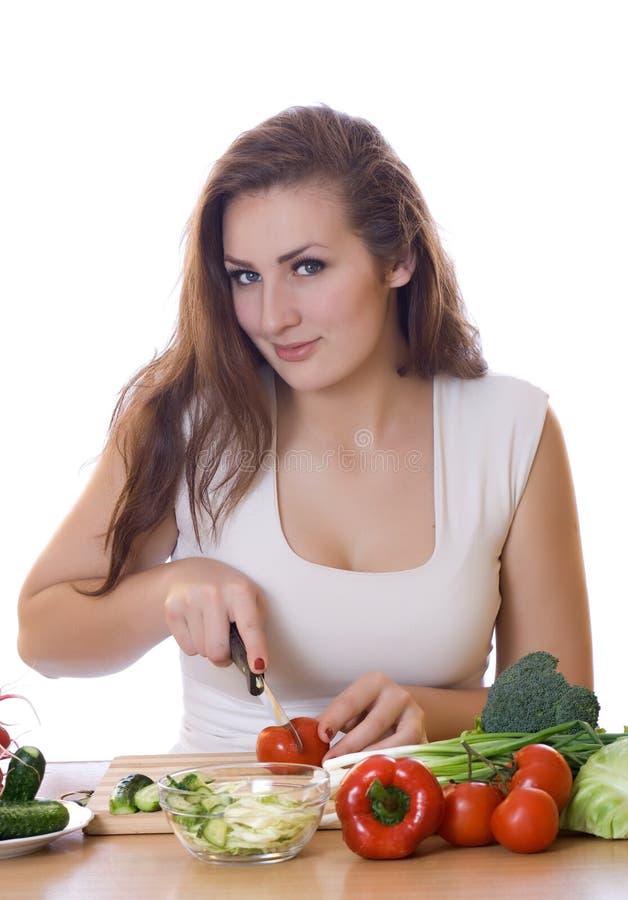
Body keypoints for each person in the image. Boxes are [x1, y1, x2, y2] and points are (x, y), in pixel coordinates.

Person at [17, 105, 593, 760]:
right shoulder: (184, 418)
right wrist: (167, 590)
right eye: (246, 276)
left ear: (398, 258)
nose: (272, 316)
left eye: (308, 267)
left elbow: (565, 714)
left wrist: (432, 713)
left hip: (432, 846)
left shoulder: (513, 432)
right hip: (223, 837)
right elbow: (41, 636)